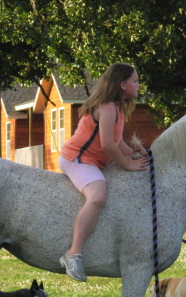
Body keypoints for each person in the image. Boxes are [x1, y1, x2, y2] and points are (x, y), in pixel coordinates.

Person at [58, 63, 149, 282]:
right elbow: (108, 145)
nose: (138, 85)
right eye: (135, 81)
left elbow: (116, 142)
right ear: (122, 84)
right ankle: (73, 253)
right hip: (77, 159)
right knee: (97, 196)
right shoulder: (107, 107)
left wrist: (132, 153)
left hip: (93, 161)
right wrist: (127, 164)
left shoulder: (118, 108)